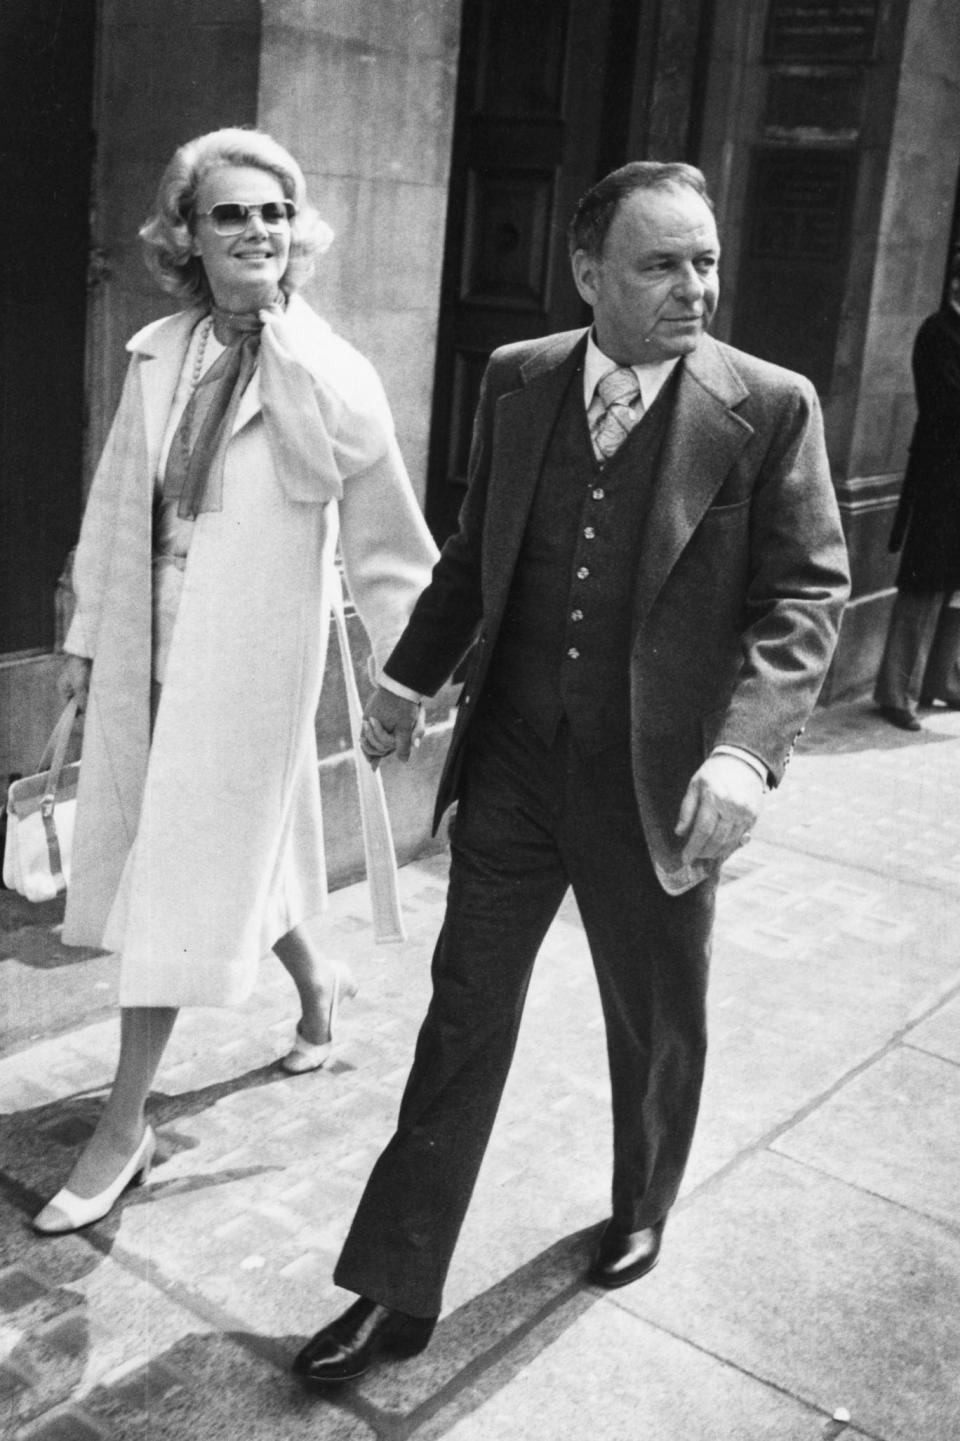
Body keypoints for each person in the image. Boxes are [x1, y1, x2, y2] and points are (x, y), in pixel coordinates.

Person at [292, 160, 851, 1388]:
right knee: (461, 1021)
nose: (695, 286)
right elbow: (476, 560)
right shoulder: (520, 379)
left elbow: (807, 593)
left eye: (706, 259)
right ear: (589, 272)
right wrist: (402, 686)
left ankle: (641, 1196)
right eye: (661, 264)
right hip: (513, 771)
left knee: (654, 1022)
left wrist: (747, 751)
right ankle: (393, 1286)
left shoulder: (771, 404)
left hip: (659, 785)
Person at [32, 127, 438, 1235]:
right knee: (212, 851)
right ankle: (319, 987)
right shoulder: (157, 350)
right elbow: (120, 505)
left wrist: (412, 673)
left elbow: (378, 513)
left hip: (250, 657)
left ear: (296, 230)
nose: (255, 230)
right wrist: (85, 650)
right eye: (229, 215)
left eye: (272, 212)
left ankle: (126, 1126)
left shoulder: (327, 364)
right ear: (187, 236)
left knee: (181, 865)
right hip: (151, 650)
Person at [874, 253, 960, 730]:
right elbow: (947, 404)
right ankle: (896, 692)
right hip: (941, 479)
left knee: (957, 587)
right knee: (925, 581)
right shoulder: (937, 333)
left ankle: (943, 681)